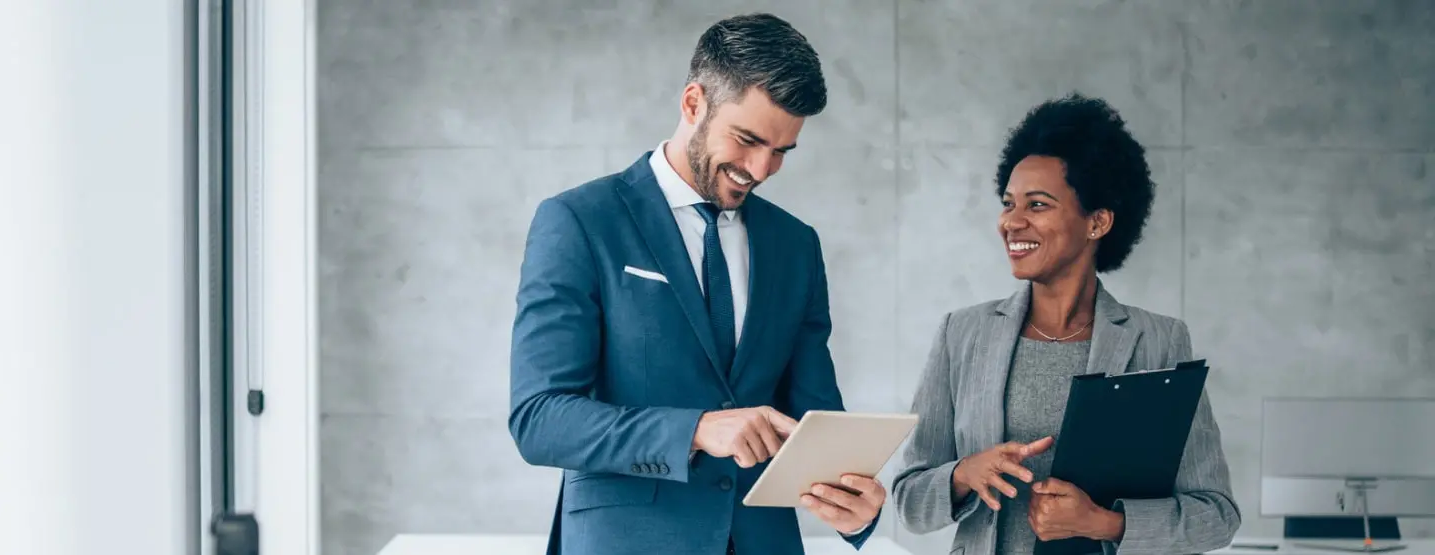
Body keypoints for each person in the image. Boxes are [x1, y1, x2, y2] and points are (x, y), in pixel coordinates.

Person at [508, 13, 883, 555]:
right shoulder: (580, 221)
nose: (761, 168)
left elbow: (814, 414)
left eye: (781, 151)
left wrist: (856, 505)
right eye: (748, 140)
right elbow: (539, 417)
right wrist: (696, 429)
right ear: (693, 104)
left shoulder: (795, 245)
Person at [889, 94, 1242, 555]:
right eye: (1008, 203)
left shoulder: (1159, 341)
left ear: (1097, 222)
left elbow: (1216, 515)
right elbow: (908, 499)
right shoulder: (963, 334)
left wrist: (1104, 523)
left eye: (1037, 205)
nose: (1011, 222)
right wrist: (963, 475)